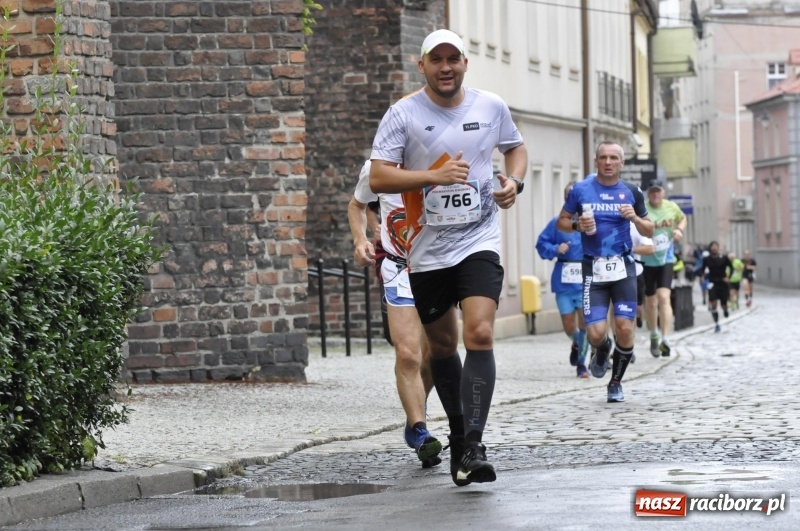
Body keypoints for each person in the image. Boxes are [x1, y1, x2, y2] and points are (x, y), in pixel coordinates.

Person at [370, 29, 528, 486]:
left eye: (453, 58)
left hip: (479, 240)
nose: (445, 67)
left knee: (478, 331)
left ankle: (474, 443)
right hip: (426, 248)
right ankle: (459, 440)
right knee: (440, 346)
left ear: (465, 62)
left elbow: (515, 149)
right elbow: (379, 178)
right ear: (422, 66)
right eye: (436, 60)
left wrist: (513, 183)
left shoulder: (490, 106)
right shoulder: (403, 114)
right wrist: (432, 177)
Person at [348, 160, 441, 468]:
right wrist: (361, 240)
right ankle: (419, 430)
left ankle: (417, 408)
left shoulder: (440, 160)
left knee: (434, 357)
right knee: (408, 354)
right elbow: (357, 205)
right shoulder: (377, 167)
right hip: (398, 268)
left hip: (438, 267)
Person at [557, 142, 653, 403]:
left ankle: (616, 382)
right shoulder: (581, 190)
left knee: (624, 327)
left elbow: (649, 230)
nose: (608, 162)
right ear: (596, 161)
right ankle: (602, 349)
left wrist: (634, 218)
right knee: (596, 333)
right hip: (593, 269)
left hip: (623, 268)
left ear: (622, 163)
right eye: (603, 158)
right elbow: (561, 222)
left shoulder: (632, 191)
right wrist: (577, 225)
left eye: (613, 158)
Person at [536, 182, 590, 378]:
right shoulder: (556, 223)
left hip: (586, 278)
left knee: (585, 322)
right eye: (569, 196)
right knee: (569, 325)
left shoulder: (590, 221)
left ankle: (582, 365)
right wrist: (555, 249)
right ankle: (576, 342)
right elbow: (541, 243)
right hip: (564, 279)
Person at [641, 180, 687, 358]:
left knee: (664, 297)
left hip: (666, 258)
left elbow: (683, 218)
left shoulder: (671, 207)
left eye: (658, 192)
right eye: (652, 192)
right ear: (648, 193)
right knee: (651, 302)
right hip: (647, 260)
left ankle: (666, 339)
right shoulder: (642, 209)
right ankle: (654, 333)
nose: (655, 195)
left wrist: (679, 231)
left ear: (663, 193)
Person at [699, 241, 732, 333]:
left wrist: (728, 277)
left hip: (723, 283)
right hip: (713, 282)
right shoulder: (707, 259)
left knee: (723, 304)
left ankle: (725, 310)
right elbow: (702, 269)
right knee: (713, 304)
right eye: (712, 247)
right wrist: (702, 277)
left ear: (718, 248)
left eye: (716, 246)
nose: (714, 248)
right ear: (710, 248)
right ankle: (717, 324)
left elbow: (731, 267)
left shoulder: (724, 258)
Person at [630, 222, 655, 331]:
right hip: (616, 275)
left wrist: (630, 250)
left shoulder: (634, 226)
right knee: (617, 308)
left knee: (638, 307)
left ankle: (640, 316)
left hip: (636, 273)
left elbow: (650, 249)